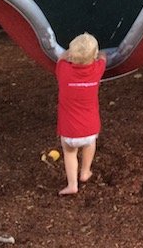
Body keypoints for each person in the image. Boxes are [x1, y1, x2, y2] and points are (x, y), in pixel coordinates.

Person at [55, 32, 107, 195]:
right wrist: (98, 54)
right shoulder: (97, 69)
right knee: (89, 145)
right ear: (93, 57)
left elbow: (61, 58)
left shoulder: (63, 70)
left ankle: (72, 185)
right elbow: (103, 57)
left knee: (69, 153)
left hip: (69, 130)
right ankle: (85, 171)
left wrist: (66, 54)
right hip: (90, 128)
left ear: (71, 55)